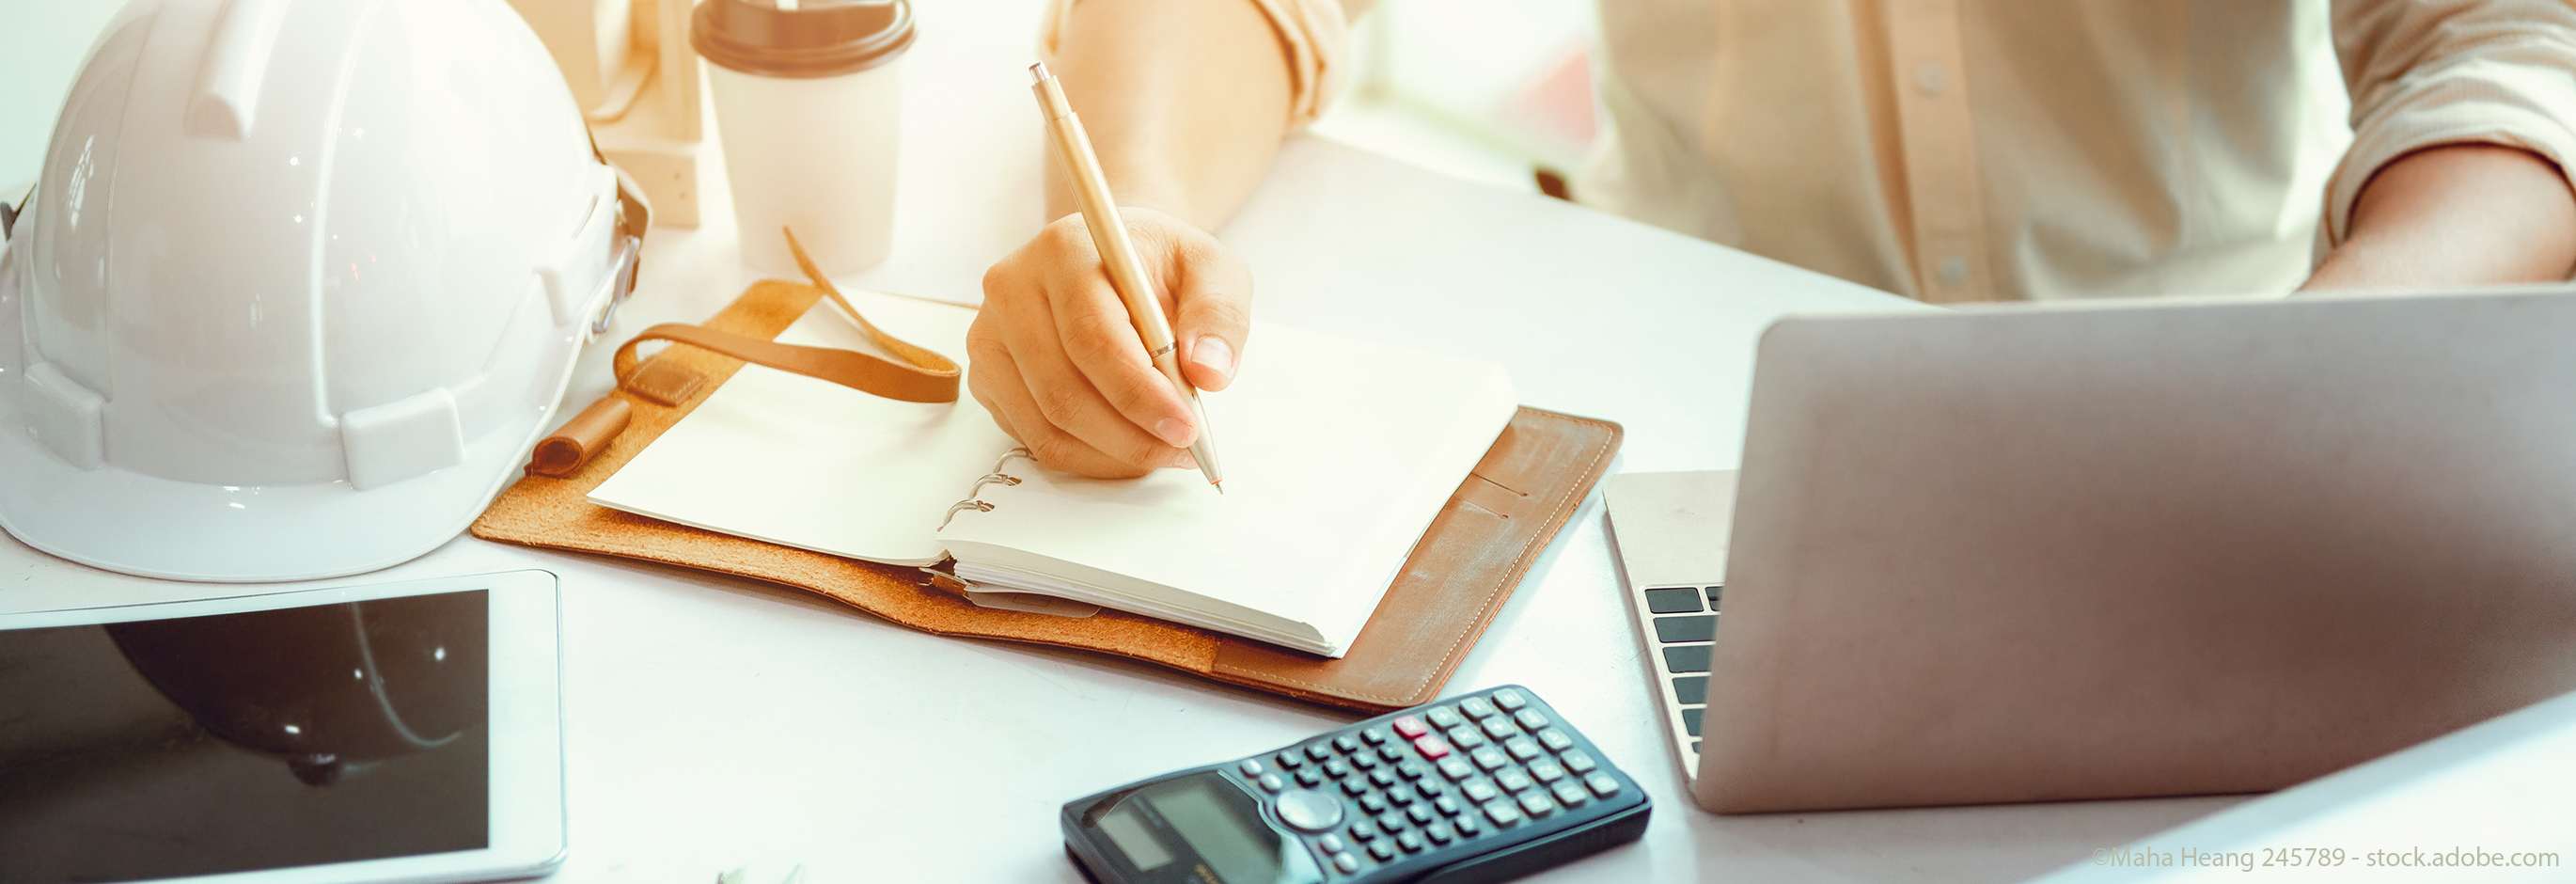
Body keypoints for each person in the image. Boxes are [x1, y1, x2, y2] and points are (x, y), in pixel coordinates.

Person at [970, 0, 2576, 478]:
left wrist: (2341, 346)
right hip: (1687, 430)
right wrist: (1139, 203)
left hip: (2236, 412)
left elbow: (2516, 41)